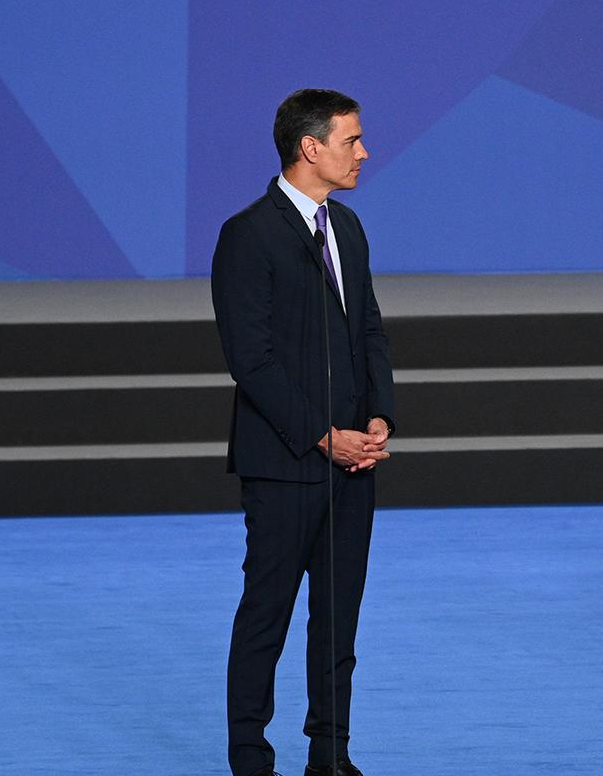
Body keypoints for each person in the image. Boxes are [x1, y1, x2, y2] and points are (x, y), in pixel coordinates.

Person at [212, 88, 395, 776]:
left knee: (337, 617)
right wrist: (323, 435)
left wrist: (380, 415)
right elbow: (250, 358)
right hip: (286, 460)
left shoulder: (347, 229)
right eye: (352, 140)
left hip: (354, 461)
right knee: (268, 613)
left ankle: (331, 752)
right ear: (310, 148)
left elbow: (368, 330)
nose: (364, 152)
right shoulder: (248, 234)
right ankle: (251, 757)